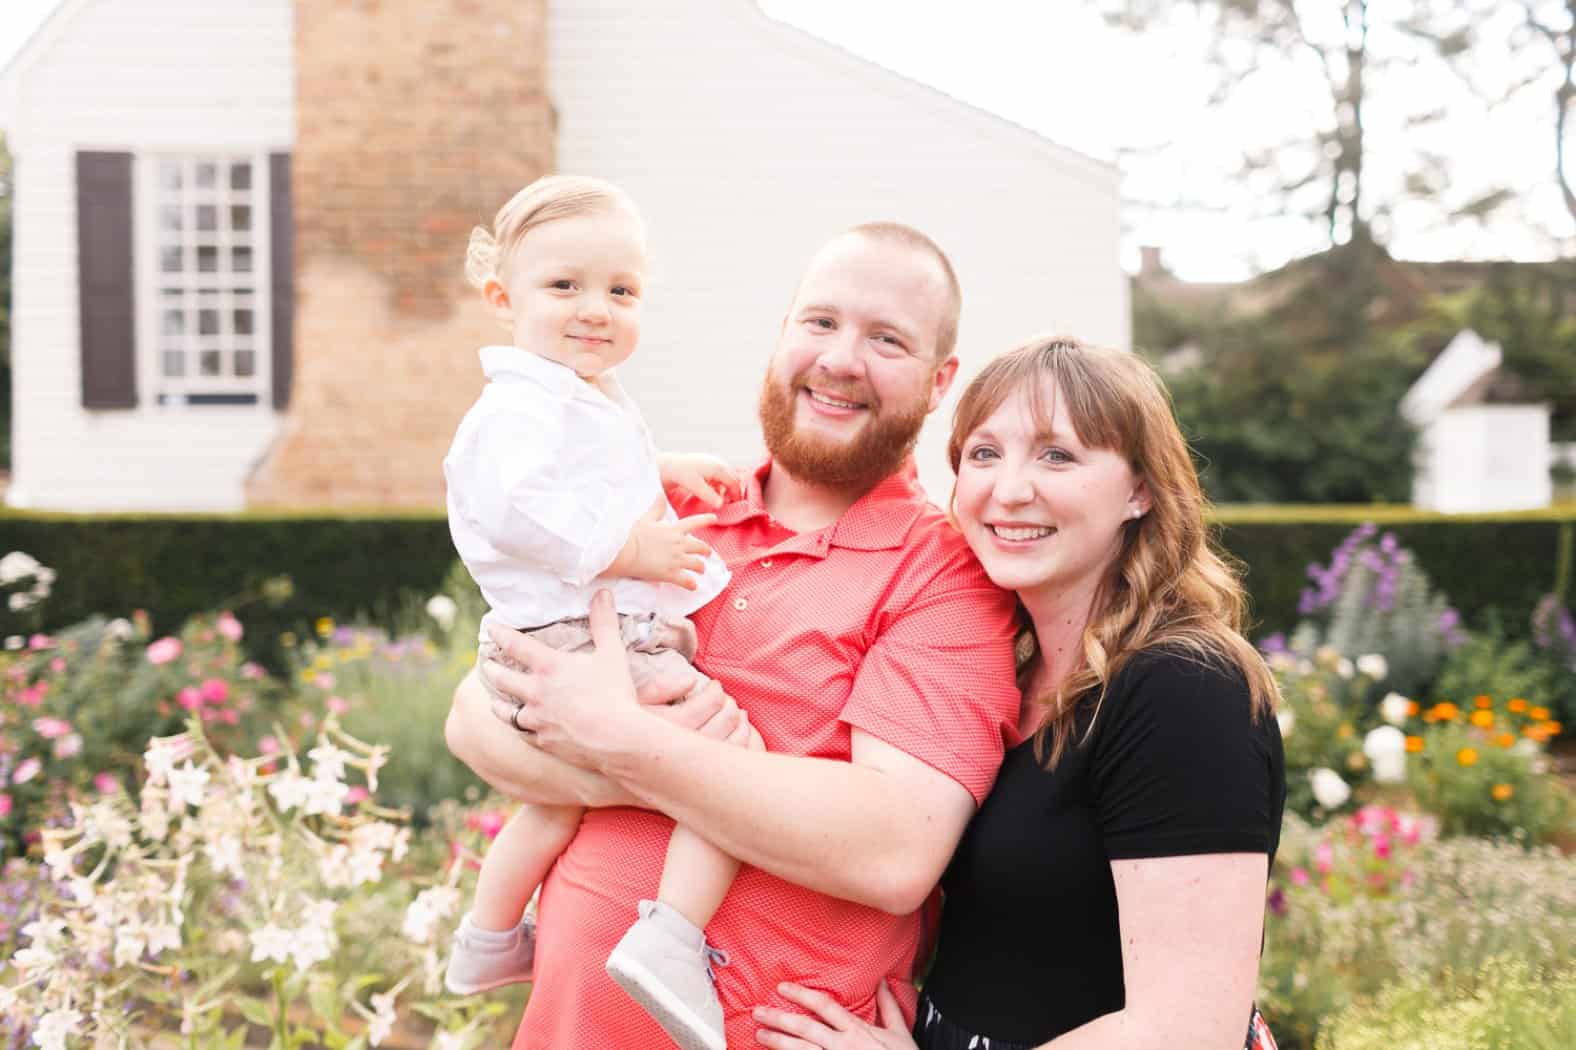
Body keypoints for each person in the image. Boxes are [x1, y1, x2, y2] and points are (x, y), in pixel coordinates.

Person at [443, 222, 1023, 1048]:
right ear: (783, 334)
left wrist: (616, 740)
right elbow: (472, 718)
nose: (841, 359)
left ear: (939, 382)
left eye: (886, 339)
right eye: (819, 322)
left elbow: (892, 850)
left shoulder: (945, 572)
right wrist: (667, 763)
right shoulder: (667, 522)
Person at [752, 336, 1287, 1050]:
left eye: (1057, 455)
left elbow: (1184, 1031)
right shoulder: (1003, 669)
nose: (1008, 490)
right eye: (984, 454)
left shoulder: (1184, 692)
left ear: (1141, 489)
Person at [440, 173, 760, 1050]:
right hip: (582, 642)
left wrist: (665, 471)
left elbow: (586, 476)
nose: (597, 309)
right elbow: (517, 510)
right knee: (728, 759)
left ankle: (485, 941)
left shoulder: (573, 395)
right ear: (504, 298)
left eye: (621, 291)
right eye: (565, 286)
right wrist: (627, 552)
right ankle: (671, 940)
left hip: (554, 639)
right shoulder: (519, 405)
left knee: (556, 807)